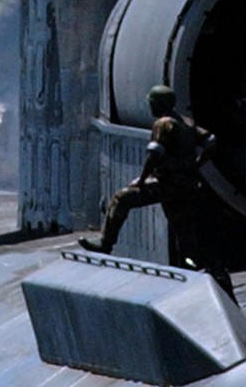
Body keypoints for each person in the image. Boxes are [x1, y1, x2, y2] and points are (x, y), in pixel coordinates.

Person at [79, 84, 234, 298]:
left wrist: (142, 181)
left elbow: (155, 154)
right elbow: (210, 141)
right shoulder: (185, 122)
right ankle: (197, 268)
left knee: (121, 199)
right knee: (183, 229)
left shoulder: (163, 124)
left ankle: (105, 243)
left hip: (168, 183)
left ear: (157, 104)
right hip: (187, 185)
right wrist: (196, 164)